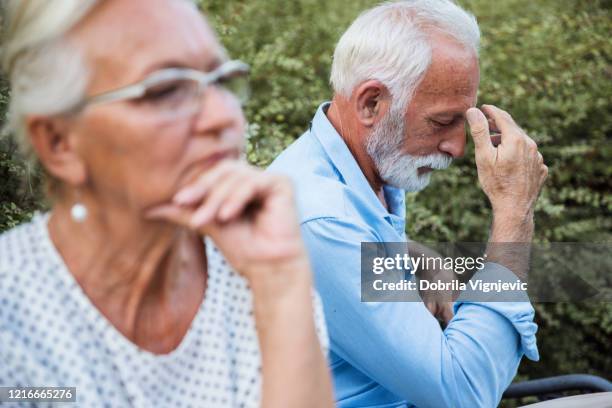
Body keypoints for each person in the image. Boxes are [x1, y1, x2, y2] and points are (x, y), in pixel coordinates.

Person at [0, 0, 333, 406]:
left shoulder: (265, 269)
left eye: (222, 80)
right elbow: (432, 376)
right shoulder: (12, 315)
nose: (224, 117)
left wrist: (281, 283)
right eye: (165, 90)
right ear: (59, 144)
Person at [268, 0, 547, 407]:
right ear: (370, 104)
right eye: (440, 122)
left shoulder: (357, 175)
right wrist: (513, 213)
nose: (456, 148)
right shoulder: (321, 219)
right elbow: (462, 394)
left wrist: (414, 257)